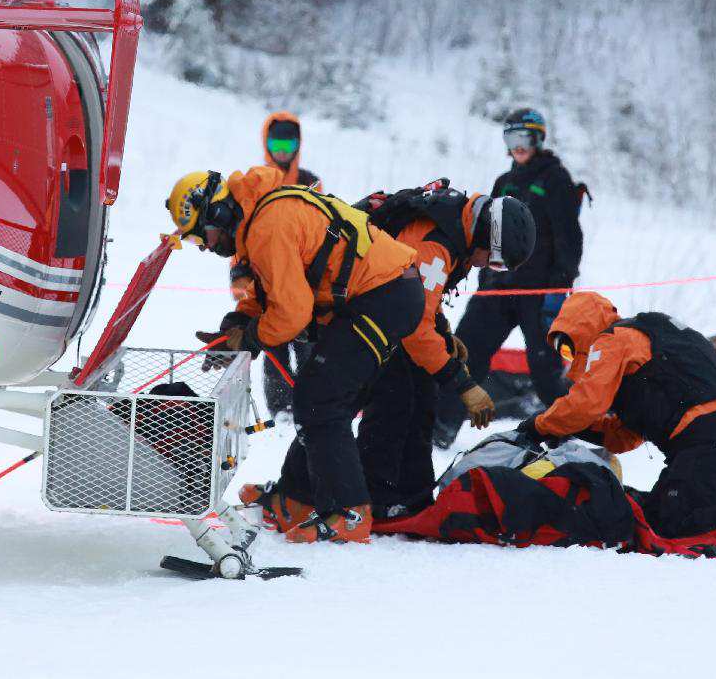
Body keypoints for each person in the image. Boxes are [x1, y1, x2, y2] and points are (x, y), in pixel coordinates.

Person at [166, 168, 424, 543]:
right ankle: (298, 499)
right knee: (318, 397)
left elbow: (291, 313)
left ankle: (350, 514)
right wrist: (236, 326)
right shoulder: (258, 220)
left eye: (201, 236)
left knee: (320, 399)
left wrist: (249, 337)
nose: (205, 247)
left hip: (383, 297)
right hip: (381, 295)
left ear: (217, 214)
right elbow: (271, 290)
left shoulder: (267, 225)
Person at [516, 291, 716, 549]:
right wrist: (576, 428)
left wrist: (540, 425)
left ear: (581, 326)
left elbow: (585, 403)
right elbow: (623, 437)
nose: (569, 356)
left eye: (567, 346)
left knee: (671, 524)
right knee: (659, 513)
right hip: (715, 435)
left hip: (704, 439)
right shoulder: (640, 340)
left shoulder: (611, 341)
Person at [352, 181, 536, 518]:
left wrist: (445, 334)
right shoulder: (436, 247)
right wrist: (463, 383)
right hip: (365, 314)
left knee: (423, 398)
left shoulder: (460, 233)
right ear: (485, 236)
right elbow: (413, 326)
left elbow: (423, 303)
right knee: (394, 399)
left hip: (392, 313)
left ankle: (414, 494)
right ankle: (374, 496)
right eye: (493, 261)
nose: (485, 267)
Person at [435, 108, 584, 448]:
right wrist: (484, 279)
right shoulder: (505, 182)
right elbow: (486, 233)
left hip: (539, 293)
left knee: (545, 370)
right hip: (498, 290)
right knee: (464, 355)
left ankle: (569, 439)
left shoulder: (555, 179)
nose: (518, 147)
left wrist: (559, 288)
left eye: (524, 139)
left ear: (539, 140)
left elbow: (569, 239)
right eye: (511, 139)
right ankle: (440, 432)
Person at [231, 112, 322, 418]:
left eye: (289, 142)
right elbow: (240, 231)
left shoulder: (311, 182)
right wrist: (238, 276)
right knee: (274, 344)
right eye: (277, 142)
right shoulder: (256, 182)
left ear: (298, 145)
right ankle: (281, 406)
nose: (283, 149)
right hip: (266, 279)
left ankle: (312, 402)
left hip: (307, 279)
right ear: (266, 143)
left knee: (310, 347)